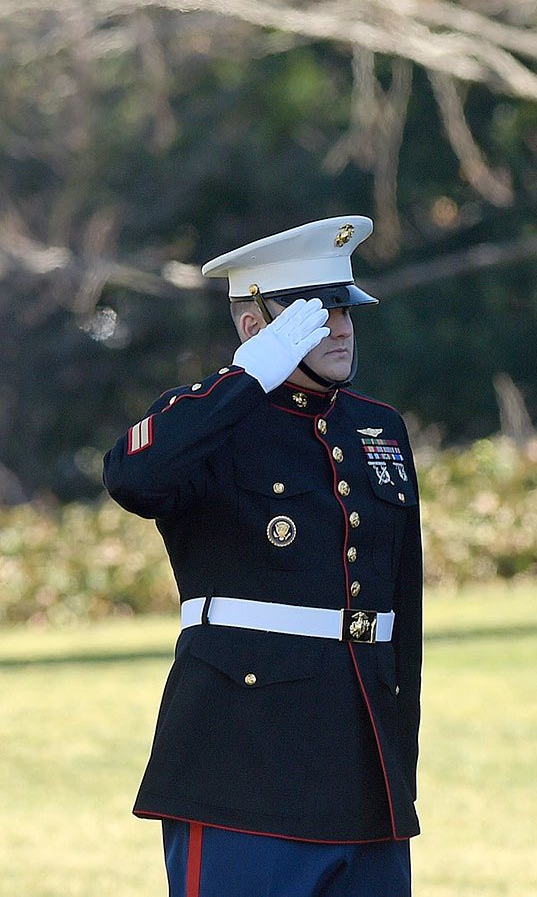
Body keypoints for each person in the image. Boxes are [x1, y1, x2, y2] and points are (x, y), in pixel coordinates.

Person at [103, 216, 422, 896]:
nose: (340, 327)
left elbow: (402, 616)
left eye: (346, 309)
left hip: (362, 774)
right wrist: (244, 381)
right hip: (242, 771)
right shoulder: (209, 423)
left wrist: (399, 770)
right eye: (314, 313)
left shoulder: (377, 428)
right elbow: (134, 478)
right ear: (255, 326)